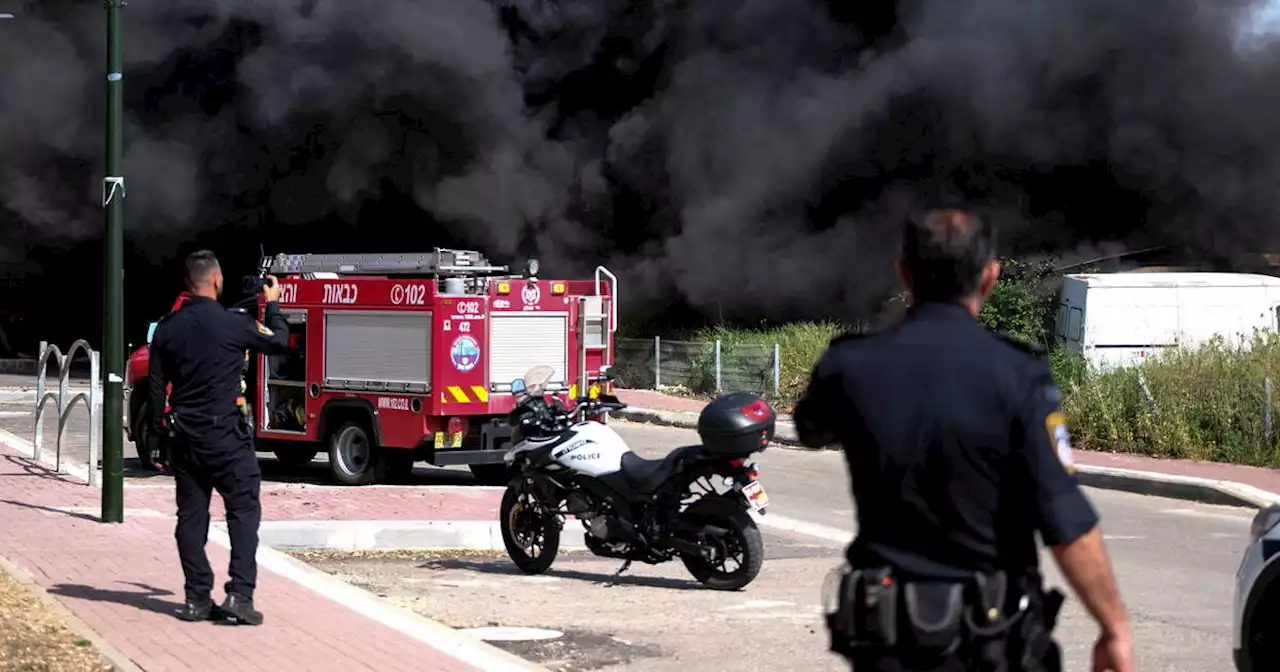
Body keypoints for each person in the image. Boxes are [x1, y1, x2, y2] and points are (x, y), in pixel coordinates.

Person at [794, 209, 1134, 672]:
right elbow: (1063, 516)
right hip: (990, 642)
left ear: (903, 272)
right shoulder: (1018, 374)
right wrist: (1113, 626)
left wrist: (894, 329)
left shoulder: (849, 365)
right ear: (990, 276)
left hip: (888, 644)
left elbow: (811, 429)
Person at [148, 250, 289, 625]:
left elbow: (156, 389)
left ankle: (196, 598)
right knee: (243, 511)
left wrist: (163, 436)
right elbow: (278, 341)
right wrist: (272, 306)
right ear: (215, 280)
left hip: (186, 439)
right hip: (226, 436)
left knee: (190, 519)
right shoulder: (233, 324)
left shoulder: (167, 329)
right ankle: (239, 596)